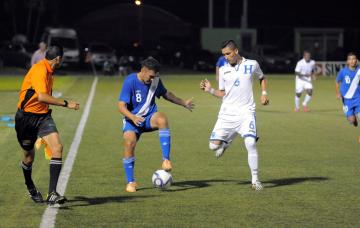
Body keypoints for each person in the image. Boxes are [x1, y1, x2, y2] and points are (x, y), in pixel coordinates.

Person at [200, 40, 269, 191]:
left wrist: (264, 94)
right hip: (227, 114)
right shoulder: (224, 70)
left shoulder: (252, 64)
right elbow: (222, 93)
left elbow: (262, 78)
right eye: (223, 55)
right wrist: (210, 90)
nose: (226, 57)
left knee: (250, 143)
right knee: (213, 147)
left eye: (228, 54)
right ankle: (226, 143)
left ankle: (255, 180)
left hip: (246, 112)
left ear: (236, 51)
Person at [118, 56, 194, 192]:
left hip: (148, 119)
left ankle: (166, 160)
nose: (153, 79)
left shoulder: (155, 81)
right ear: (143, 70)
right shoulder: (130, 81)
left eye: (155, 76)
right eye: (151, 76)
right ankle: (131, 182)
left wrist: (183, 103)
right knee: (129, 143)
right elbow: (121, 106)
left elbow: (167, 94)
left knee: (162, 118)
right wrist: (133, 117)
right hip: (132, 120)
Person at [15, 45, 80, 204]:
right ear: (58, 59)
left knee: (57, 147)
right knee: (28, 157)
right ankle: (30, 185)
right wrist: (66, 103)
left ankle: (52, 193)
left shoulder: (50, 72)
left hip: (43, 117)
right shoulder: (40, 70)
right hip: (26, 119)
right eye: (62, 59)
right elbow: (42, 97)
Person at [335, 52, 360, 142]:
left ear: (356, 60)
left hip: (358, 98)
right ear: (347, 61)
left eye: (354, 59)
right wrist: (338, 93)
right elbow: (337, 81)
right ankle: (354, 120)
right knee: (351, 120)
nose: (353, 61)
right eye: (351, 59)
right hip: (346, 100)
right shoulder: (343, 71)